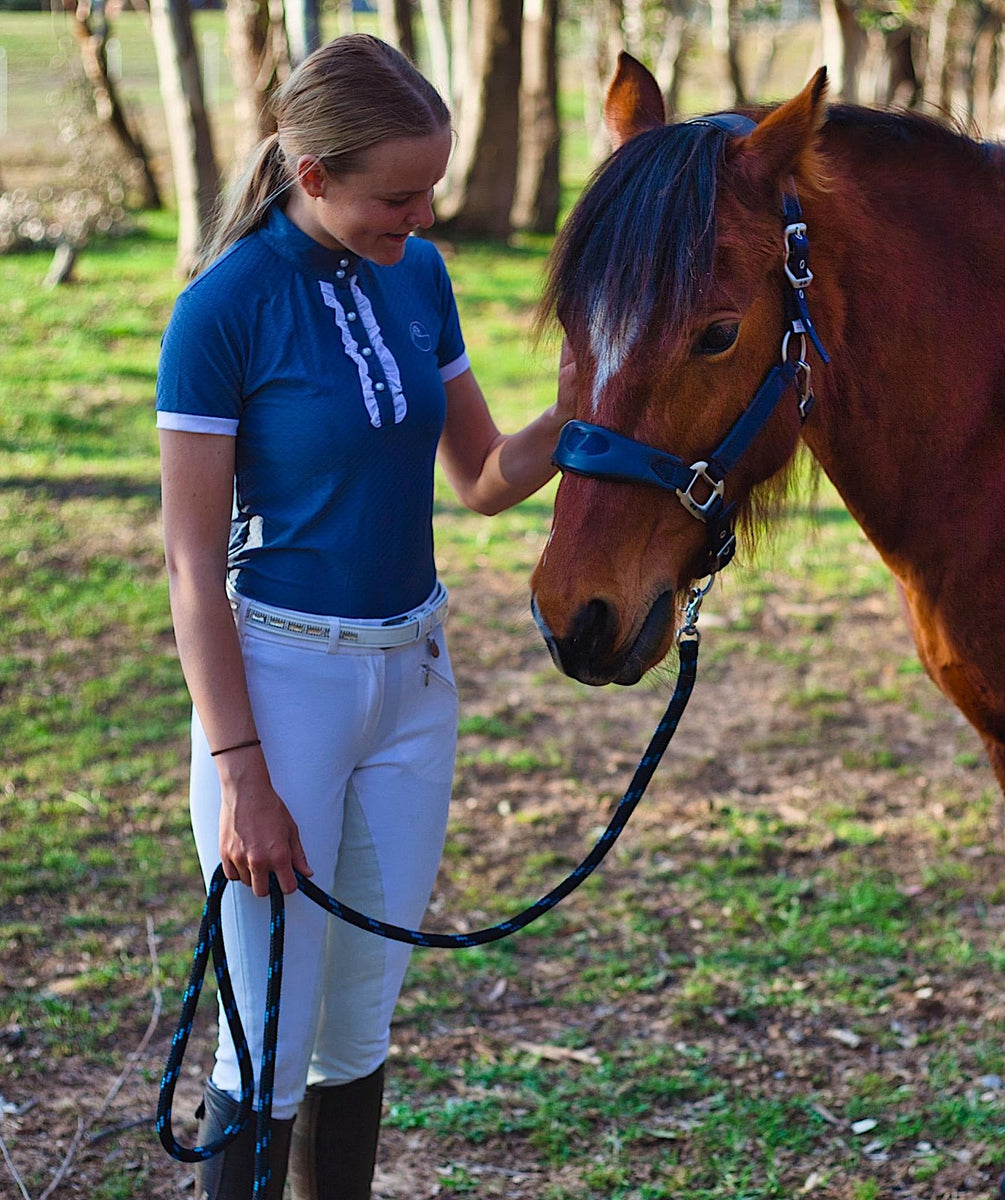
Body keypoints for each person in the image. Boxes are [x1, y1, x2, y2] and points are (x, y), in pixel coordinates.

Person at [156, 33, 575, 1200]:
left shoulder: (419, 276)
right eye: (398, 195)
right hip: (281, 691)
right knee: (268, 1038)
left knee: (358, 1030)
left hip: (414, 683)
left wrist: (594, 407)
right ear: (313, 173)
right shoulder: (223, 310)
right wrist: (241, 773)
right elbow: (191, 563)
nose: (423, 214)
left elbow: (483, 475)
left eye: (431, 186)